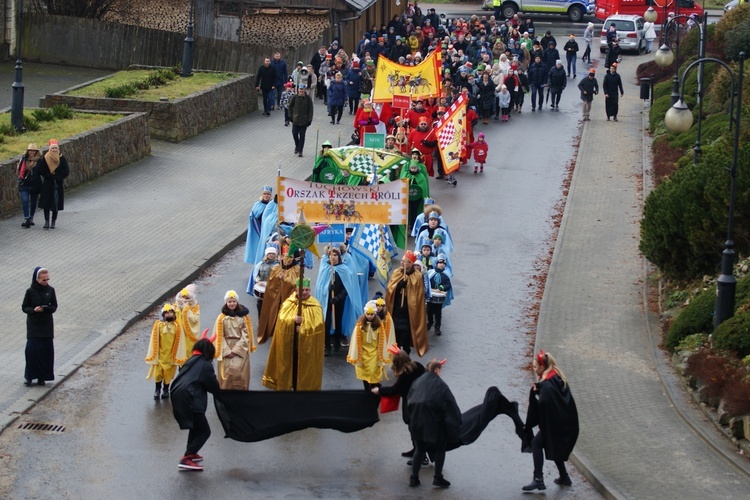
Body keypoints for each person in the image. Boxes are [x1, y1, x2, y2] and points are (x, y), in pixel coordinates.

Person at [522, 350, 579, 491]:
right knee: (554, 446)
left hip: (555, 426)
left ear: (542, 367)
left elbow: (543, 405)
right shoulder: (556, 377)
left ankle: (538, 479)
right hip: (564, 424)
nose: (534, 369)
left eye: (535, 367)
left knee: (536, 444)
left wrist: (536, 394)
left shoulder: (547, 386)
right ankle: (564, 476)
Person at [262, 278, 325, 391]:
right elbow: (282, 320)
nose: (304, 292)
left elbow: (318, 325)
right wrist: (293, 321)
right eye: (302, 290)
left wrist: (303, 326)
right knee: (289, 367)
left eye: (306, 290)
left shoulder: (315, 305)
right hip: (290, 346)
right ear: (296, 290)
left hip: (306, 348)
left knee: (303, 369)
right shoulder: (288, 304)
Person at [407, 359, 460, 488]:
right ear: (436, 370)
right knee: (440, 448)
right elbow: (450, 404)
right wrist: (456, 421)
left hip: (416, 422)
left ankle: (414, 478)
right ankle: (438, 477)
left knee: (419, 449)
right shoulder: (440, 385)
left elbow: (409, 399)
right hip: (434, 423)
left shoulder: (417, 382)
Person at [170, 337, 220, 471]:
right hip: (191, 399)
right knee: (205, 431)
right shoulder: (205, 365)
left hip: (178, 396)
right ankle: (186, 458)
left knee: (195, 427)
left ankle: (191, 453)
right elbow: (213, 386)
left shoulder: (190, 360)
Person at [372, 347, 426, 456]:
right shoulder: (418, 366)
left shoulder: (404, 376)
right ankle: (416, 449)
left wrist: (379, 390)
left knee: (412, 427)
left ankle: (420, 454)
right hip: (422, 400)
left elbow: (395, 390)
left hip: (411, 403)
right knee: (417, 428)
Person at [315, 245, 362, 355]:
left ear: (339, 256)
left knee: (338, 322)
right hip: (326, 300)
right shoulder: (325, 268)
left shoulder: (343, 269)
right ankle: (327, 346)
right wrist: (328, 288)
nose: (333, 257)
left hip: (339, 301)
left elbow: (348, 288)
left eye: (335, 255)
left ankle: (336, 342)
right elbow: (320, 285)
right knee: (326, 322)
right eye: (331, 255)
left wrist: (338, 297)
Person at [385, 251, 428, 356]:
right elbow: (390, 288)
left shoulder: (417, 276)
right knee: (396, 336)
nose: (403, 263)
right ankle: (397, 358)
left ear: (411, 263)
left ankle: (406, 356)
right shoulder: (397, 273)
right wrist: (399, 286)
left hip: (408, 312)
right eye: (402, 261)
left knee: (405, 336)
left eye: (406, 262)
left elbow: (418, 295)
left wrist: (408, 287)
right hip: (396, 310)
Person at [347, 301, 395, 390]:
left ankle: (374, 387)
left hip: (374, 353)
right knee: (364, 372)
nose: (369, 316)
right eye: (368, 314)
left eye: (372, 314)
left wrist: (381, 354)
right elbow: (356, 340)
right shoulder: (360, 325)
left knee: (373, 372)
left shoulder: (379, 326)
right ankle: (367, 389)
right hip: (364, 353)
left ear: (375, 314)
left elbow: (382, 340)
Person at [22, 267, 58, 387]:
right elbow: (24, 307)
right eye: (43, 280)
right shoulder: (30, 291)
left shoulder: (51, 290)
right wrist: (34, 310)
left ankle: (42, 377)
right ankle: (29, 377)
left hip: (46, 326)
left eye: (47, 279)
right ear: (37, 279)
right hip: (34, 326)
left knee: (45, 353)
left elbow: (54, 306)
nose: (46, 282)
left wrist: (47, 309)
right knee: (32, 352)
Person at [212, 290, 255, 390]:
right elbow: (218, 335)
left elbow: (246, 335)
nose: (232, 304)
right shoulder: (221, 318)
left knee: (240, 374)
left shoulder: (243, 318)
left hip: (240, 349)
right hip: (226, 348)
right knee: (227, 375)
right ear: (226, 303)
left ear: (237, 302)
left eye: (234, 301)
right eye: (230, 301)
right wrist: (226, 351)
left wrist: (236, 350)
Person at [258, 251, 301, 344]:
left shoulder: (297, 269)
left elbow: (295, 284)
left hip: (289, 298)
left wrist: (284, 279)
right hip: (277, 298)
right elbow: (271, 285)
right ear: (281, 257)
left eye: (290, 257)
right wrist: (278, 278)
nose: (287, 260)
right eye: (285, 257)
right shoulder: (276, 268)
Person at [146, 303, 186, 399]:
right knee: (158, 373)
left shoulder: (177, 326)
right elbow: (154, 339)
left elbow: (180, 341)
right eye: (166, 313)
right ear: (163, 315)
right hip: (160, 354)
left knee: (168, 373)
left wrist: (177, 355)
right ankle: (157, 389)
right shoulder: (158, 326)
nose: (169, 314)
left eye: (170, 312)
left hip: (170, 355)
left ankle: (166, 389)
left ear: (173, 314)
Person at [37, 139, 70, 229]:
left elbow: (66, 171)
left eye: (56, 148)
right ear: (50, 149)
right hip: (48, 183)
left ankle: (53, 221)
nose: (54, 150)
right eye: (53, 148)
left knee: (56, 203)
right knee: (46, 203)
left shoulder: (62, 158)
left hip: (57, 184)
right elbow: (41, 170)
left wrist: (58, 177)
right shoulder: (46, 158)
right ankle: (46, 221)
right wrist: (48, 176)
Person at [243, 185, 278, 265]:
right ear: (262, 195)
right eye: (265, 194)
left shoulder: (272, 204)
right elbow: (252, 216)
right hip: (258, 229)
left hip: (268, 229)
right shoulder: (257, 204)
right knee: (259, 247)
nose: (266, 196)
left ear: (270, 196)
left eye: (268, 194)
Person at [248, 246, 279, 316]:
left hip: (273, 289)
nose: (271, 255)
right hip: (262, 287)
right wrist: (258, 281)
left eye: (273, 253)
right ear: (266, 254)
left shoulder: (278, 265)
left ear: (275, 255)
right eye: (269, 253)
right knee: (261, 307)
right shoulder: (261, 264)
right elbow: (256, 275)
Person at [426, 255, 453, 336]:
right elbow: (426, 281)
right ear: (436, 263)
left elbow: (448, 285)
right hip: (431, 296)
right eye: (440, 263)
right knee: (429, 311)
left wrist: (441, 287)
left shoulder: (445, 275)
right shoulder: (431, 273)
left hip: (439, 298)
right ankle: (430, 322)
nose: (442, 264)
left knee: (438, 312)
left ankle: (437, 327)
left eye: (444, 263)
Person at [17, 143, 42, 228]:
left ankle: (31, 217)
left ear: (36, 152)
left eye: (33, 151)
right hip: (24, 184)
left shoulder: (39, 161)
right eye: (30, 150)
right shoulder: (24, 159)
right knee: (25, 200)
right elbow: (19, 170)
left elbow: (42, 172)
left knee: (33, 202)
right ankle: (26, 218)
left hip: (35, 184)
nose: (32, 152)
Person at [175, 285, 201, 361]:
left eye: (187, 298)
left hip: (190, 338)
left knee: (190, 355)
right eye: (183, 297)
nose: (184, 300)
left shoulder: (195, 308)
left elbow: (194, 320)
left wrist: (186, 310)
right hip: (180, 336)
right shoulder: (177, 307)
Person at [289, 83, 314, 157]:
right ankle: (297, 145)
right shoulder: (294, 98)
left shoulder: (308, 99)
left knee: (302, 136)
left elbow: (311, 110)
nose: (301, 92)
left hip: (304, 121)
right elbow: (290, 107)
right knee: (294, 134)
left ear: (304, 90)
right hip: (296, 120)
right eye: (300, 90)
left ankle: (300, 150)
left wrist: (309, 120)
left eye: (302, 90)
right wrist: (290, 116)